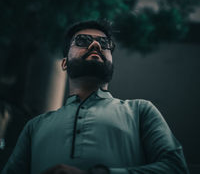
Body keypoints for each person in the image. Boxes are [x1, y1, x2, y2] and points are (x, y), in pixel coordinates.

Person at [2, 20, 189, 174]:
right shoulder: (35, 126)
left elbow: (176, 168)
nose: (95, 45)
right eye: (82, 40)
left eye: (105, 43)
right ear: (64, 63)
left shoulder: (140, 111)